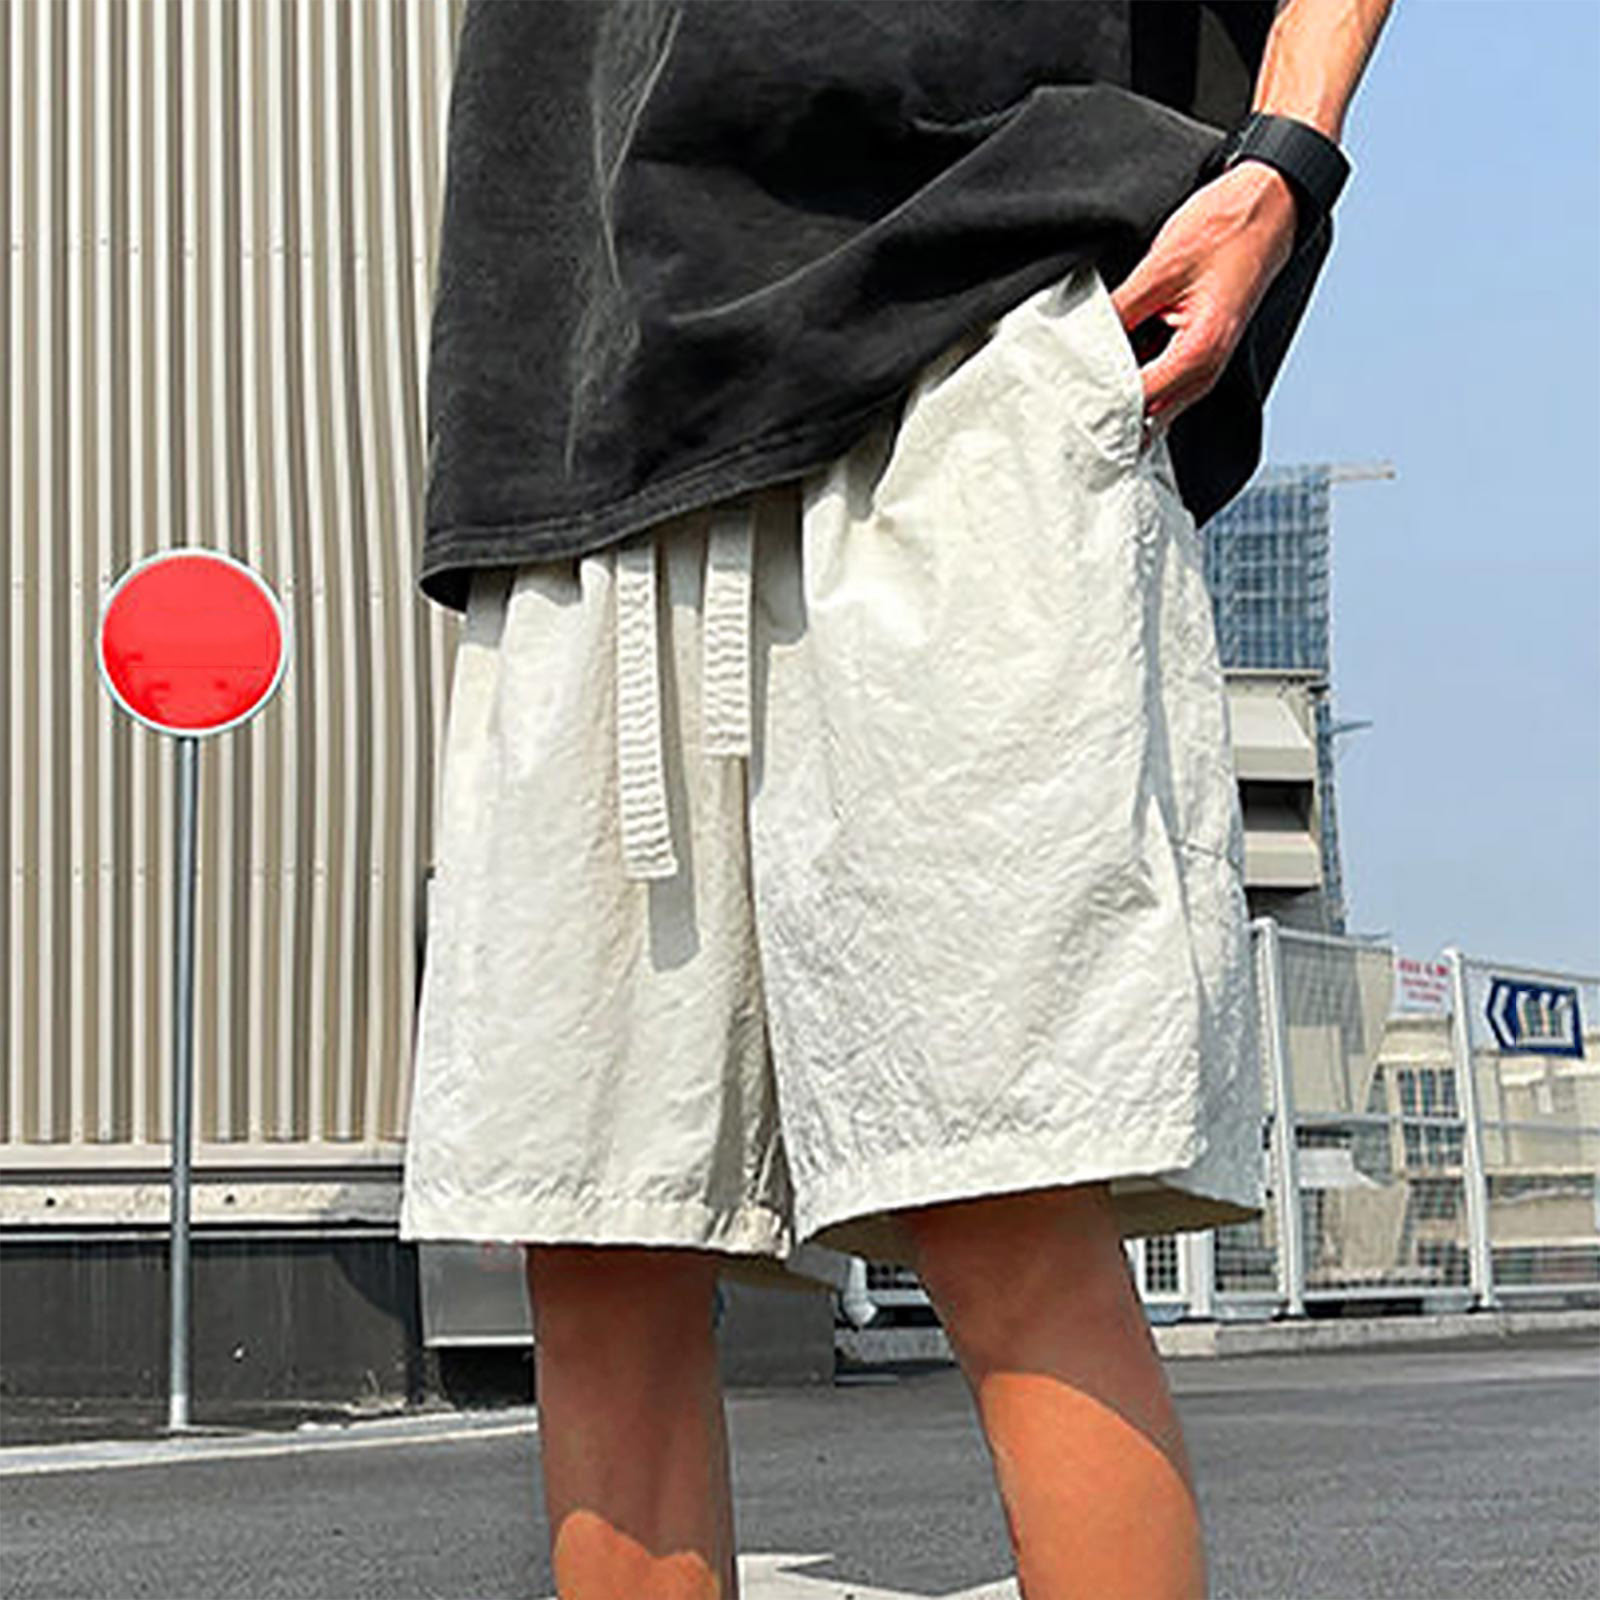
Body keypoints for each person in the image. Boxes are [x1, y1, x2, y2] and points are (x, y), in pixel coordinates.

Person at [398, 2, 1396, 1596]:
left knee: (1005, 1194)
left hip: (975, 298)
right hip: (578, 391)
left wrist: (1283, 167)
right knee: (594, 1233)